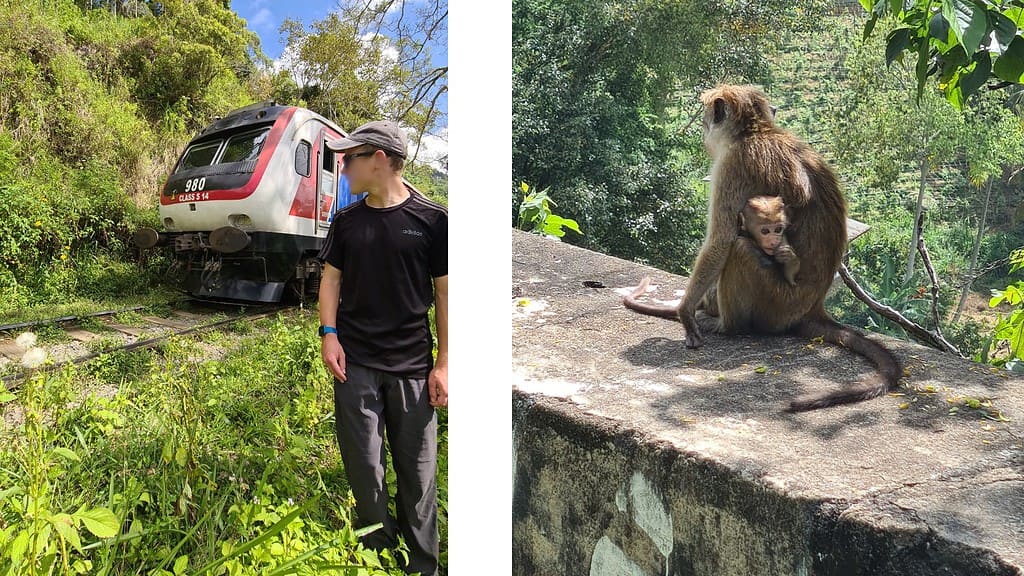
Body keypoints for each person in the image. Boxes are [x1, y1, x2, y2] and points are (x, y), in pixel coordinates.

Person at [317, 120, 448, 576]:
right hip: (356, 365)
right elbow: (330, 280)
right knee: (364, 467)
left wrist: (445, 363)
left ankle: (422, 564)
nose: (343, 165)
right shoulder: (346, 222)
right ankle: (378, 551)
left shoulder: (433, 221)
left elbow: (446, 294)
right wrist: (328, 334)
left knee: (419, 475)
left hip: (413, 367)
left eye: (349, 157)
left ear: (378, 159)